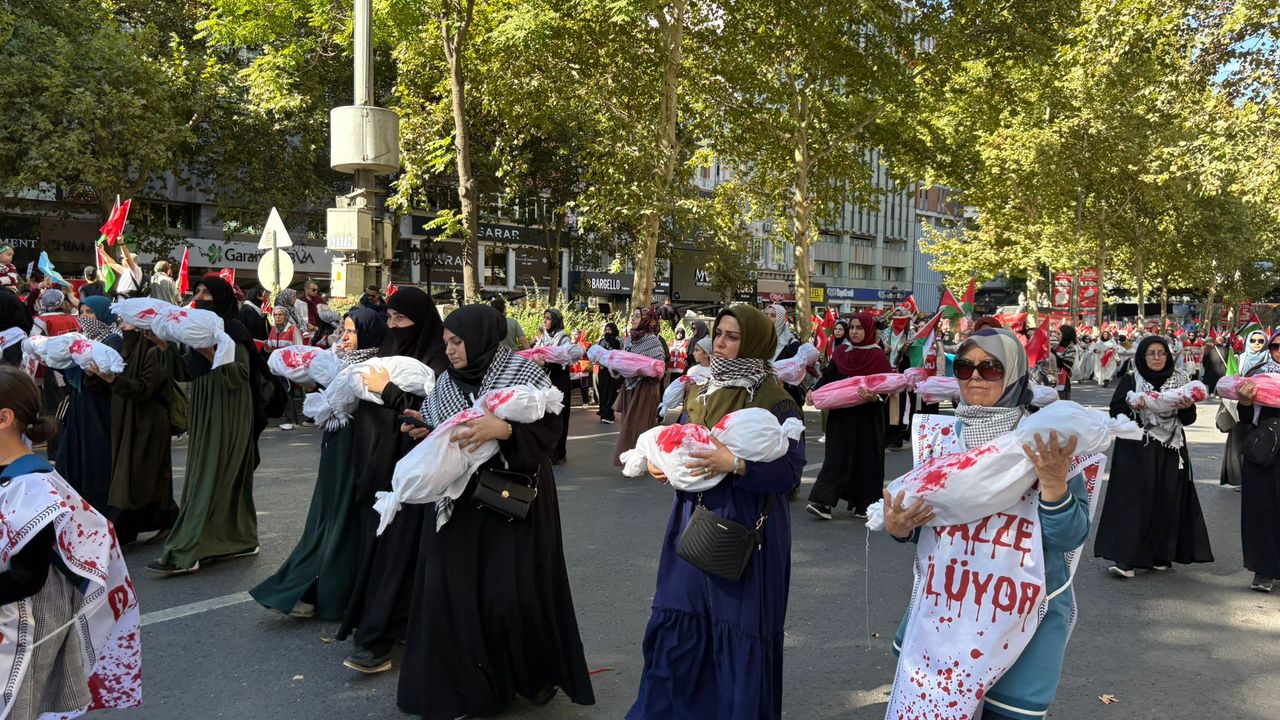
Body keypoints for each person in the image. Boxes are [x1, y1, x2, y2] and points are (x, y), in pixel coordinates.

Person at [395, 303, 595, 717]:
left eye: (456, 342)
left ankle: (528, 674)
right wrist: (426, 429)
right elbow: (448, 433)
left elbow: (550, 430)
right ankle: (470, 687)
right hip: (462, 506)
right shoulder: (447, 384)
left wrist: (501, 429)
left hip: (513, 504)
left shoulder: (523, 373)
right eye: (446, 342)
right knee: (459, 595)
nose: (449, 351)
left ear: (482, 337)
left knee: (510, 594)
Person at [882, 328, 1091, 720]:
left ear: (1012, 375)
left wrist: (1053, 484)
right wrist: (900, 528)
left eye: (990, 368)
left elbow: (1070, 536)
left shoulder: (1046, 440)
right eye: (964, 366)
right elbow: (929, 526)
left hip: (1024, 615)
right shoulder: (938, 438)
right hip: (947, 612)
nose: (975, 377)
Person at [628, 305, 803, 719]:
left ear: (756, 343)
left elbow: (791, 471)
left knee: (737, 629)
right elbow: (680, 439)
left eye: (732, 336)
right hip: (692, 519)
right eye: (719, 334)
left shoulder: (775, 399)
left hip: (745, 527)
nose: (720, 344)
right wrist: (663, 466)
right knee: (681, 619)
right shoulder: (699, 389)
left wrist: (737, 465)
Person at [0, 366, 142, 718]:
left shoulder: (32, 486)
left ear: (3, 418)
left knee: (21, 706)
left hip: (26, 622)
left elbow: (28, 576)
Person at [251, 309, 388, 619]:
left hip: (360, 451)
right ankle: (309, 588)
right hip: (339, 448)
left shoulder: (379, 368)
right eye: (344, 331)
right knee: (327, 519)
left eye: (352, 332)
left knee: (342, 521)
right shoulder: (339, 363)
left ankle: (331, 592)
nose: (345, 338)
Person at [338, 286, 447, 673]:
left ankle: (377, 640)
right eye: (390, 318)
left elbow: (434, 414)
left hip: (418, 476)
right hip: (378, 468)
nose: (393, 325)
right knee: (387, 552)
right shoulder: (387, 351)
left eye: (401, 319)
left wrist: (389, 392)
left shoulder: (438, 359)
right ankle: (389, 629)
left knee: (399, 553)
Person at [145, 276, 261, 575]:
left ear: (221, 297)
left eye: (207, 293)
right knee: (210, 474)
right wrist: (163, 345)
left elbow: (241, 375)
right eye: (197, 291)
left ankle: (187, 550)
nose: (200, 297)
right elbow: (185, 370)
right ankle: (238, 540)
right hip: (205, 405)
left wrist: (210, 350)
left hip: (230, 408)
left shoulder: (233, 328)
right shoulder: (196, 328)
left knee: (210, 477)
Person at [1094, 335, 1213, 578]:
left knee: (1166, 500)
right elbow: (1116, 410)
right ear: (1142, 356)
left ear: (1168, 355)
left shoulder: (1181, 381)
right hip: (1136, 448)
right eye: (1151, 353)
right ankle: (1126, 559)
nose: (1157, 358)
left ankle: (1161, 554)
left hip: (1171, 449)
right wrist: (1133, 407)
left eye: (1161, 353)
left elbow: (1188, 420)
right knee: (1132, 502)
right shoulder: (1131, 380)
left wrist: (1186, 406)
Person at [94, 314, 180, 545]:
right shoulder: (126, 350)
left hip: (148, 423)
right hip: (128, 419)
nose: (121, 326)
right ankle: (161, 521)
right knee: (139, 474)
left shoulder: (153, 352)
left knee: (141, 473)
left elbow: (144, 389)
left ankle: (131, 526)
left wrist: (113, 380)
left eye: (127, 322)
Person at [806, 311, 891, 520]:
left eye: (859, 328)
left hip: (868, 416)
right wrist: (813, 391)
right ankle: (823, 502)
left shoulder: (877, 355)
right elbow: (828, 377)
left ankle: (865, 504)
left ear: (869, 330)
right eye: (851, 327)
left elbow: (888, 386)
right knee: (836, 457)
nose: (854, 332)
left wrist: (874, 397)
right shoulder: (842, 352)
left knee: (866, 459)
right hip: (842, 415)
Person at [55, 296, 124, 510]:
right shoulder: (79, 339)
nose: (85, 317)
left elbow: (110, 377)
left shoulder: (114, 339)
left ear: (104, 314)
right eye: (82, 312)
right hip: (79, 406)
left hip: (100, 408)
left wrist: (91, 373)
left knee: (97, 460)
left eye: (90, 313)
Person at [1234, 331, 1280, 591]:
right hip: (1264, 450)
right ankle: (1264, 570)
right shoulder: (1258, 374)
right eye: (1274, 346)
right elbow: (1244, 417)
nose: (1278, 350)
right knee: (1261, 511)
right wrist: (1245, 400)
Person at [613, 307, 664, 467]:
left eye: (637, 316)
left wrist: (642, 369)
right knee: (628, 425)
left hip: (645, 389)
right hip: (629, 387)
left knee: (638, 426)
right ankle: (634, 461)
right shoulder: (629, 340)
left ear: (646, 320)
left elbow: (660, 368)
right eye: (632, 316)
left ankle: (637, 462)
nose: (633, 319)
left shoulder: (653, 341)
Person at [1220, 330, 1270, 488]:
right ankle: (1240, 479)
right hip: (1240, 409)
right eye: (1253, 340)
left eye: (1261, 341)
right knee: (1240, 446)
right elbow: (1229, 379)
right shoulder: (1239, 359)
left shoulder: (1271, 361)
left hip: (1263, 412)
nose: (1256, 343)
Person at [533, 308, 583, 464]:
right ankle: (546, 452)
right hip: (544, 383)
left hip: (559, 383)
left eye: (548, 318)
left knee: (558, 419)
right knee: (545, 418)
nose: (545, 321)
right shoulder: (542, 339)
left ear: (555, 320)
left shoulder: (563, 339)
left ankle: (558, 453)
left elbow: (565, 358)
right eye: (544, 318)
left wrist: (546, 362)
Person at [266, 306, 306, 430]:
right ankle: (286, 417)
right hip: (276, 366)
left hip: (288, 365)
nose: (278, 317)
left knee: (288, 391)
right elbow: (271, 346)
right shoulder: (273, 330)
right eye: (276, 315)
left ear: (285, 315)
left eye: (280, 315)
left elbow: (299, 348)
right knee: (280, 391)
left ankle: (292, 420)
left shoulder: (293, 330)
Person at [766, 303, 807, 407]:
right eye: (766, 315)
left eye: (773, 315)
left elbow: (799, 372)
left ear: (781, 319)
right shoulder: (761, 341)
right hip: (765, 398)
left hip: (786, 399)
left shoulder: (791, 343)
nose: (768, 318)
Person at [595, 322, 622, 424]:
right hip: (603, 371)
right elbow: (596, 352)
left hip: (614, 371)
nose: (607, 332)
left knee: (612, 392)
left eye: (609, 330)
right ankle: (603, 413)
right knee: (603, 392)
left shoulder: (619, 340)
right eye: (606, 330)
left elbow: (620, 350)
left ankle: (608, 414)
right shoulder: (601, 341)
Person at [1052, 324, 1077, 400]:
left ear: (1066, 335)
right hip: (1052, 378)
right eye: (1056, 333)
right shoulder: (1055, 346)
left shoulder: (1071, 348)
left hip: (1063, 380)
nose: (1056, 336)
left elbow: (1067, 364)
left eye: (1058, 334)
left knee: (1062, 402)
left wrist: (1053, 354)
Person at [570, 328, 594, 406]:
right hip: (572, 370)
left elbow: (590, 355)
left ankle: (585, 402)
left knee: (584, 387)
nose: (574, 336)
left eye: (576, 334)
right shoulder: (568, 343)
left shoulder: (585, 344)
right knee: (569, 386)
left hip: (582, 369)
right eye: (573, 334)